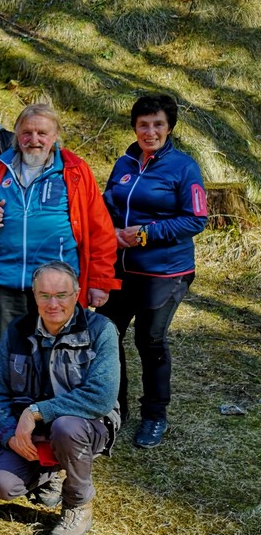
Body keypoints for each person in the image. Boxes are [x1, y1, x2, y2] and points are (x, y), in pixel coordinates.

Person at [0, 103, 120, 361]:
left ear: (55, 135)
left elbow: (100, 231)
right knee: (7, 350)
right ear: (16, 135)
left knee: (59, 352)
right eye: (26, 133)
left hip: (58, 285)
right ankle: (8, 401)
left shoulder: (75, 172)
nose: (33, 140)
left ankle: (54, 400)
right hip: (8, 282)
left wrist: (100, 283)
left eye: (42, 133)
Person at [0, 261, 121, 535]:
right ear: (34, 296)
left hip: (86, 426)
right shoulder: (16, 331)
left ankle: (77, 504)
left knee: (66, 427)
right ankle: (50, 475)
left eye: (62, 294)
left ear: (77, 294)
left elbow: (101, 397)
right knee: (1, 485)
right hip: (32, 434)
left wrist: (36, 411)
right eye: (44, 295)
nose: (53, 303)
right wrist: (10, 435)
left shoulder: (101, 330)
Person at [98, 94, 207, 448]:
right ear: (134, 127)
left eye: (158, 124)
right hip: (120, 269)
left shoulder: (183, 167)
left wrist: (147, 234)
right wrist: (109, 230)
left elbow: (196, 218)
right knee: (107, 335)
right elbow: (107, 206)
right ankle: (114, 407)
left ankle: (155, 415)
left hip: (165, 272)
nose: (150, 131)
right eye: (143, 124)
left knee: (149, 339)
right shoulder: (124, 163)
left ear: (169, 127)